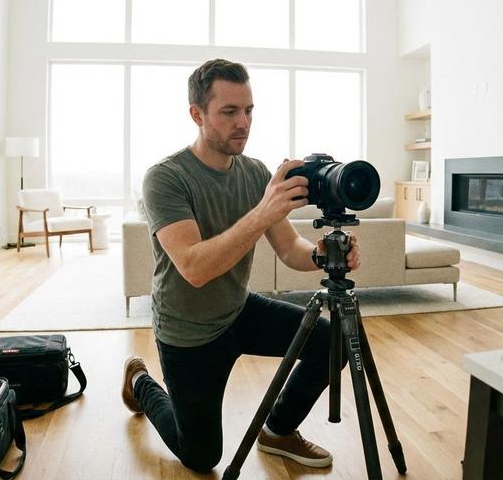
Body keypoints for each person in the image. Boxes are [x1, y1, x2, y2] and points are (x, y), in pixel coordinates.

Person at [121, 59, 361, 473]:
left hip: (238, 310)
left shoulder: (254, 173)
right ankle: (141, 382)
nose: (243, 122)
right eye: (229, 111)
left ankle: (278, 431)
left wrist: (324, 254)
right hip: (188, 331)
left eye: (248, 110)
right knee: (201, 457)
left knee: (331, 341)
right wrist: (262, 213)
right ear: (197, 114)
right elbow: (194, 268)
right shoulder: (165, 178)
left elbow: (290, 249)